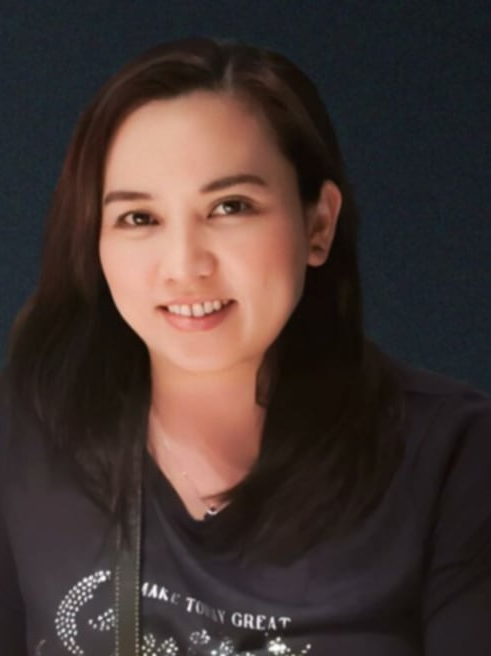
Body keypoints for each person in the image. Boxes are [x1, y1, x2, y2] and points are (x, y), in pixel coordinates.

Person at [1, 36, 490, 656]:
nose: (184, 266)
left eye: (230, 207)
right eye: (139, 218)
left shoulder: (455, 459)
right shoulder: (26, 434)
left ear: (318, 224)